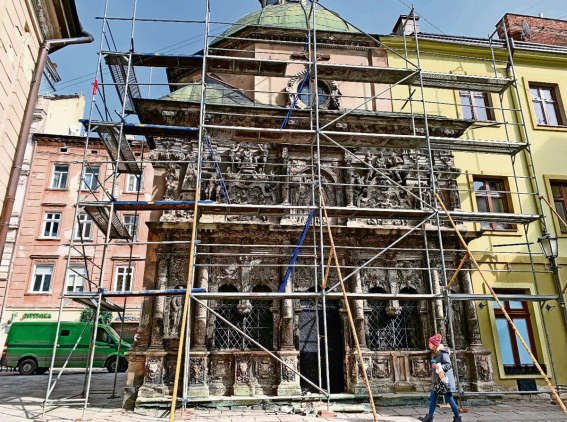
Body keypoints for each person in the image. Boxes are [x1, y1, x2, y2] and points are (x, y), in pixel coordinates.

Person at [419, 333, 462, 422]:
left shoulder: (443, 353)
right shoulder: (436, 353)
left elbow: (448, 365)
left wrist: (438, 366)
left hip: (443, 381)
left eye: (430, 343)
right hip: (438, 381)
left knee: (449, 399)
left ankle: (457, 417)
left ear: (434, 344)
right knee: (433, 398)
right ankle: (429, 417)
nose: (429, 344)